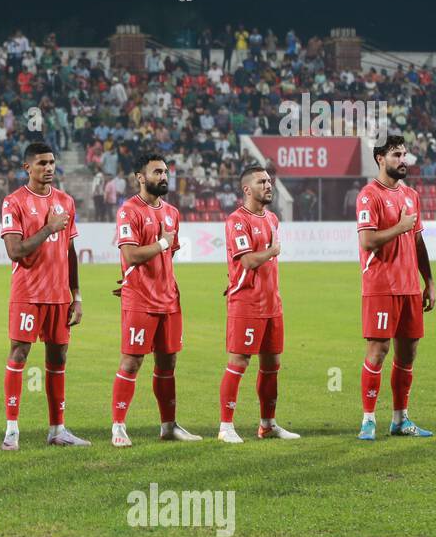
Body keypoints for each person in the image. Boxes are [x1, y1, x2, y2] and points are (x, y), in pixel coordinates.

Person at [0, 142, 90, 450]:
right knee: (19, 355)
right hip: (28, 293)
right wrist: (49, 228)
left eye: (52, 162)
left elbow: (71, 250)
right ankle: (12, 429)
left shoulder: (66, 201)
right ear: (28, 167)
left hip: (58, 296)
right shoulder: (14, 202)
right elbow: (15, 251)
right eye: (41, 163)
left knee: (58, 358)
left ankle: (58, 430)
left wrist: (76, 295)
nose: (49, 168)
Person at [110, 154, 201, 447]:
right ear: (140, 177)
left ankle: (169, 426)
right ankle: (119, 427)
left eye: (166, 171)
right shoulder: (129, 211)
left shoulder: (172, 212)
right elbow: (131, 254)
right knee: (132, 361)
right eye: (157, 172)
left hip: (169, 299)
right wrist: (160, 243)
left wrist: (158, 258)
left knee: (167, 362)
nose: (164, 176)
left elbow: (167, 255)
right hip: (140, 300)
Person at [354, 134, 435, 440]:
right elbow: (367, 240)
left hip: (410, 287)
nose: (403, 160)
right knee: (378, 349)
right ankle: (368, 419)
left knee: (408, 353)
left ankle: (400, 419)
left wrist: (429, 282)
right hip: (381, 285)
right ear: (380, 159)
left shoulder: (412, 195)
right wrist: (400, 227)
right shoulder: (368, 195)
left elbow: (417, 241)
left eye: (404, 154)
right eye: (396, 155)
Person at [217, 165, 300, 443]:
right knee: (239, 362)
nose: (268, 185)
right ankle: (226, 426)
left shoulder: (273, 218)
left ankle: (268, 424)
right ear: (246, 189)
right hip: (246, 303)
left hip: (272, 304)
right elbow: (248, 260)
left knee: (271, 364)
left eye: (269, 180)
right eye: (261, 181)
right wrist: (272, 251)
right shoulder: (237, 221)